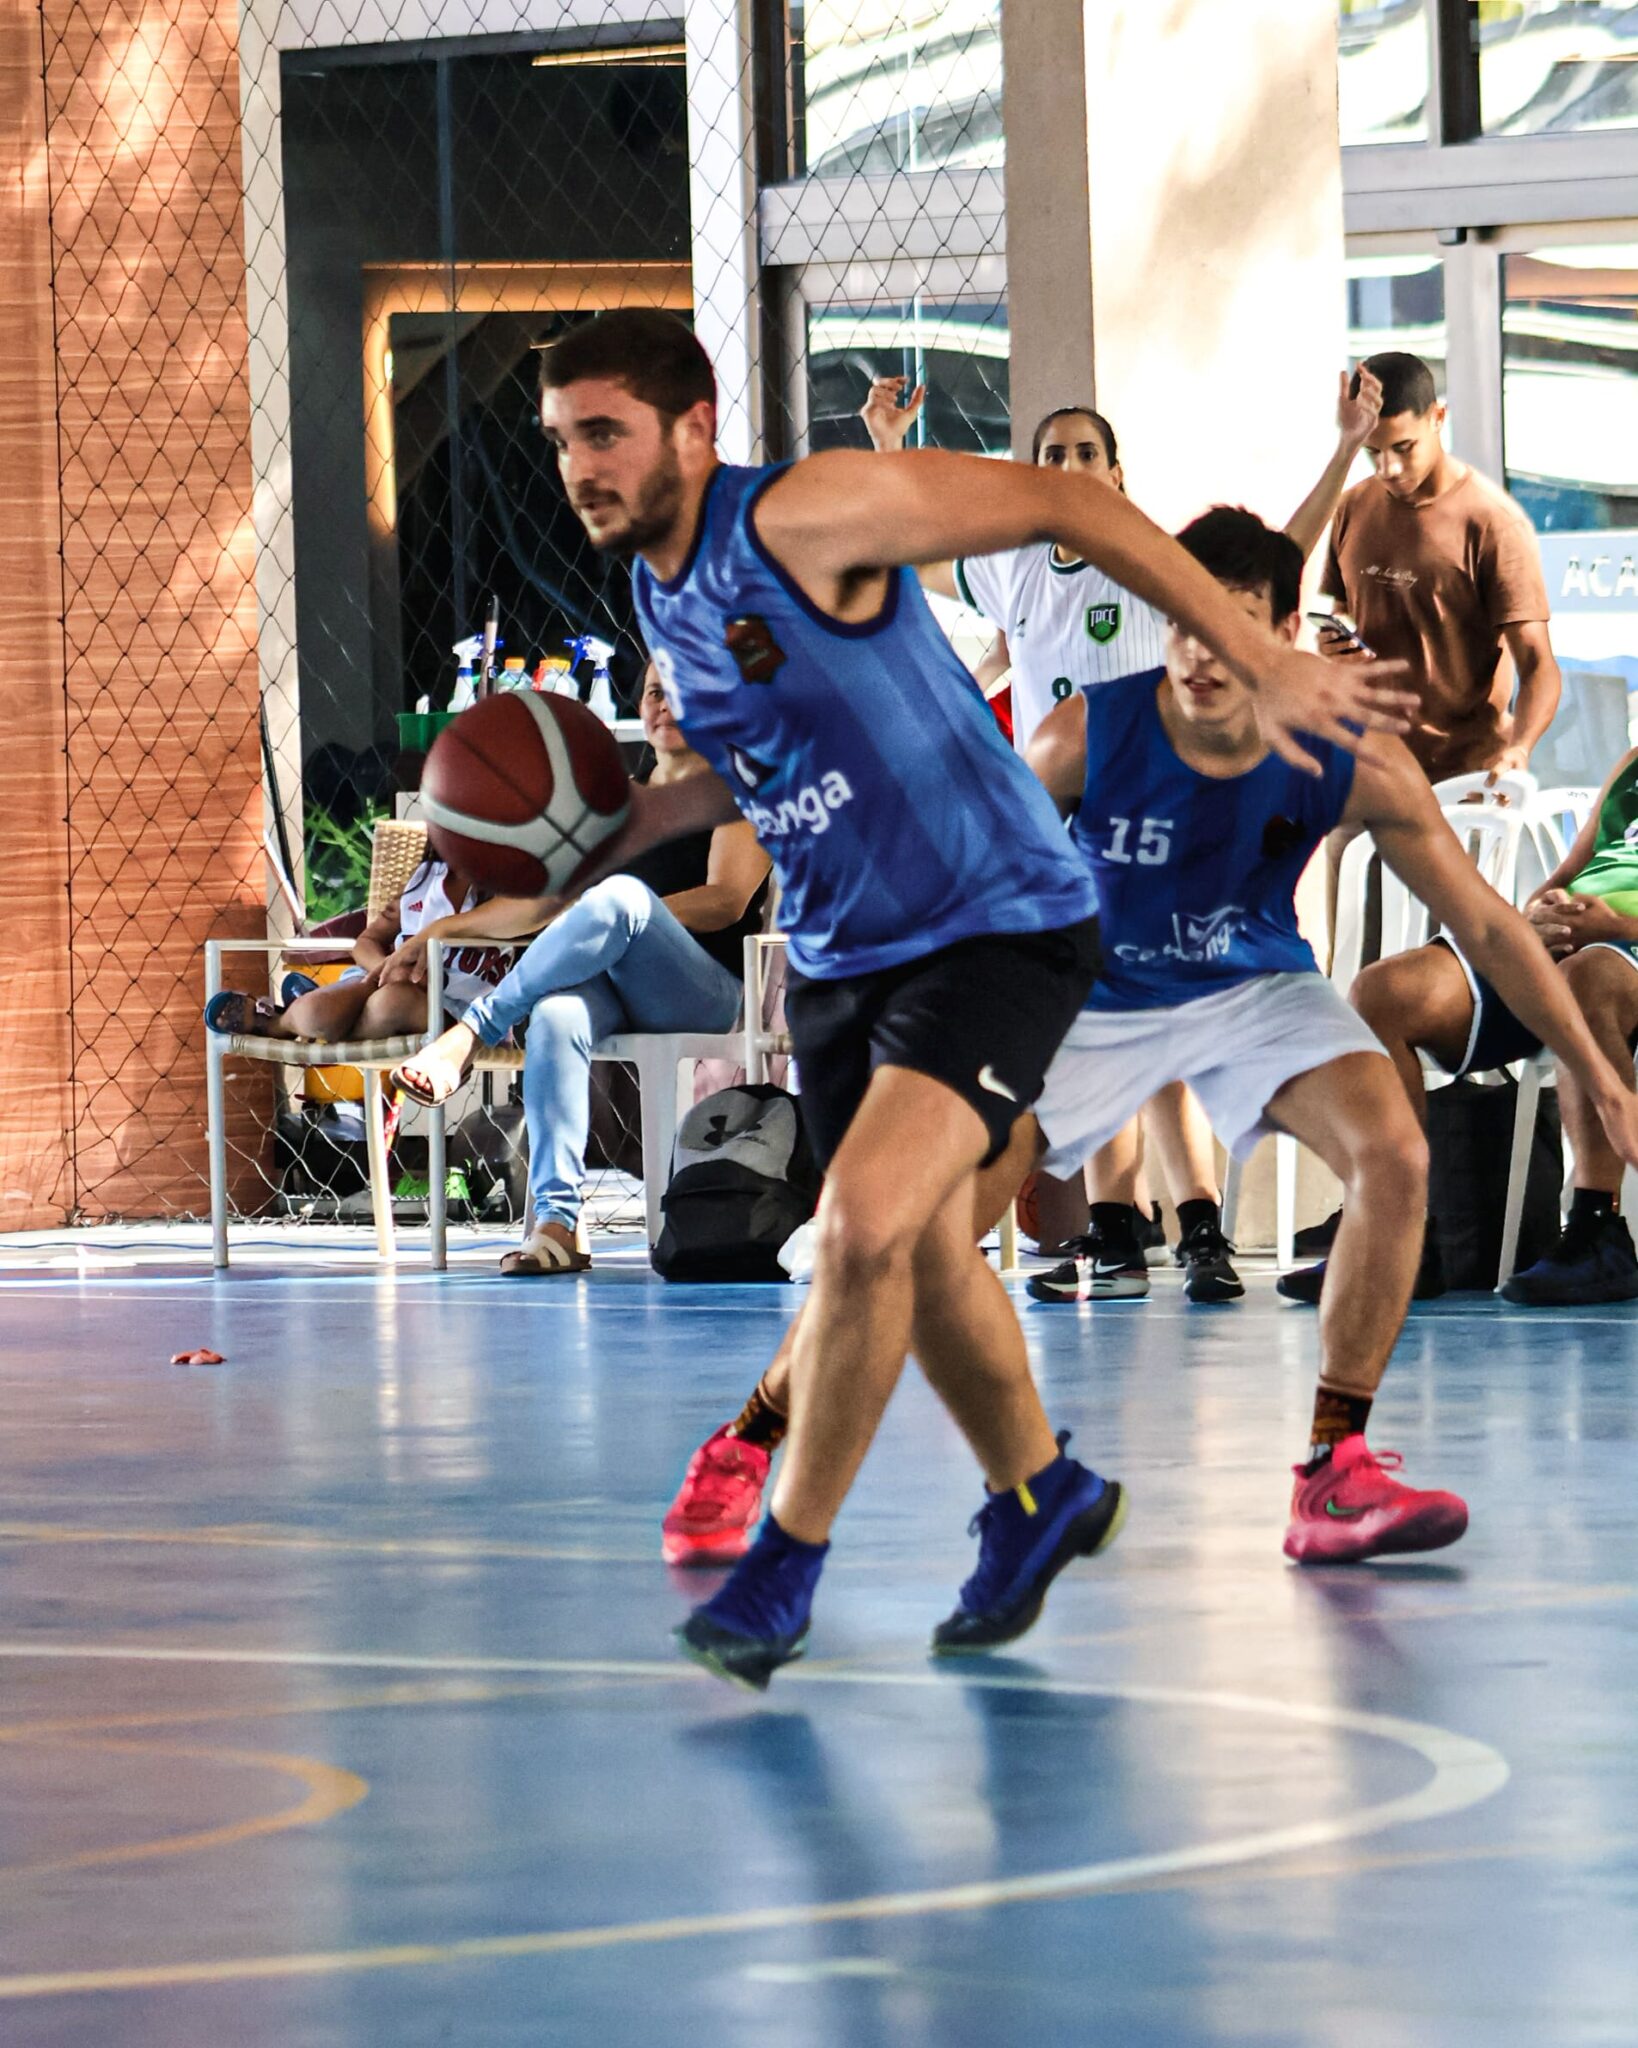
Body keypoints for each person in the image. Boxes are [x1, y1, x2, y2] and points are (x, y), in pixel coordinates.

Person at [531, 306, 1413, 1684]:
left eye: (605, 433)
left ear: (694, 430)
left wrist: (1261, 659)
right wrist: (592, 838)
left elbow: (1070, 504)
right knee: (928, 1249)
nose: (579, 466)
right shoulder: (661, 590)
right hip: (843, 954)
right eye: (560, 440)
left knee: (863, 1226)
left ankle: (782, 1565)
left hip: (996, 918)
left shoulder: (806, 514)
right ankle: (1037, 1491)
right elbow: (768, 775)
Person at [1020, 506, 1638, 1559]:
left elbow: (1490, 925)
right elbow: (983, 882)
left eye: (1234, 626)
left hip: (1256, 983)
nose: (1203, 653)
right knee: (919, 1216)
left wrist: (1604, 1080)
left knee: (1393, 1153)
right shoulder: (1079, 738)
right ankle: (766, 1434)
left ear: (1283, 637)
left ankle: (1332, 1468)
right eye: (1184, 620)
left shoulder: (1350, 756)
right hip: (1105, 989)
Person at [859, 369, 1386, 1302]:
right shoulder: (1012, 567)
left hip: (1159, 824)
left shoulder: (1150, 563)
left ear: (1116, 473)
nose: (1068, 466)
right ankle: (1119, 1235)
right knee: (1093, 1028)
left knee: (1144, 1018)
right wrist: (888, 446)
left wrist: (1346, 447)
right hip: (1056, 829)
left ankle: (1178, 1229)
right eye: (1052, 454)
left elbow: (1283, 558)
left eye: (1085, 453)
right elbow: (907, 541)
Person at [387, 663, 770, 1275]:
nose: (664, 703)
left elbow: (726, 899)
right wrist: (441, 928)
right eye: (653, 692)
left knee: (618, 898)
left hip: (706, 991)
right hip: (618, 987)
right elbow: (545, 905)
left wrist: (626, 917)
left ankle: (472, 1030)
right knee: (556, 1014)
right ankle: (557, 1221)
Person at [1322, 745, 1638, 1308]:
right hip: (1569, 943)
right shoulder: (1632, 762)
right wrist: (1537, 916)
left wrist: (1619, 925)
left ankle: (1599, 1230)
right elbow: (1568, 873)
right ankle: (1400, 1234)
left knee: (1582, 979)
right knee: (1383, 993)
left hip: (1620, 950)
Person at [1323, 350, 1562, 784]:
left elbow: (1538, 666)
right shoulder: (1352, 507)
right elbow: (1345, 613)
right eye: (1373, 452)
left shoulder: (1493, 523)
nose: (1388, 468)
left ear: (1438, 417)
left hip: (1467, 778)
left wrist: (1521, 747)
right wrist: (1336, 645)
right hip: (1371, 768)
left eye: (1403, 447)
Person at [203, 855, 505, 1045]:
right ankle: (289, 1021)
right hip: (379, 980)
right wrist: (386, 970)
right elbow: (365, 942)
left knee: (388, 1002)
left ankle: (288, 1025)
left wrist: (402, 977)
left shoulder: (509, 893)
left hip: (459, 1011)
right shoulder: (424, 880)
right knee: (342, 1004)